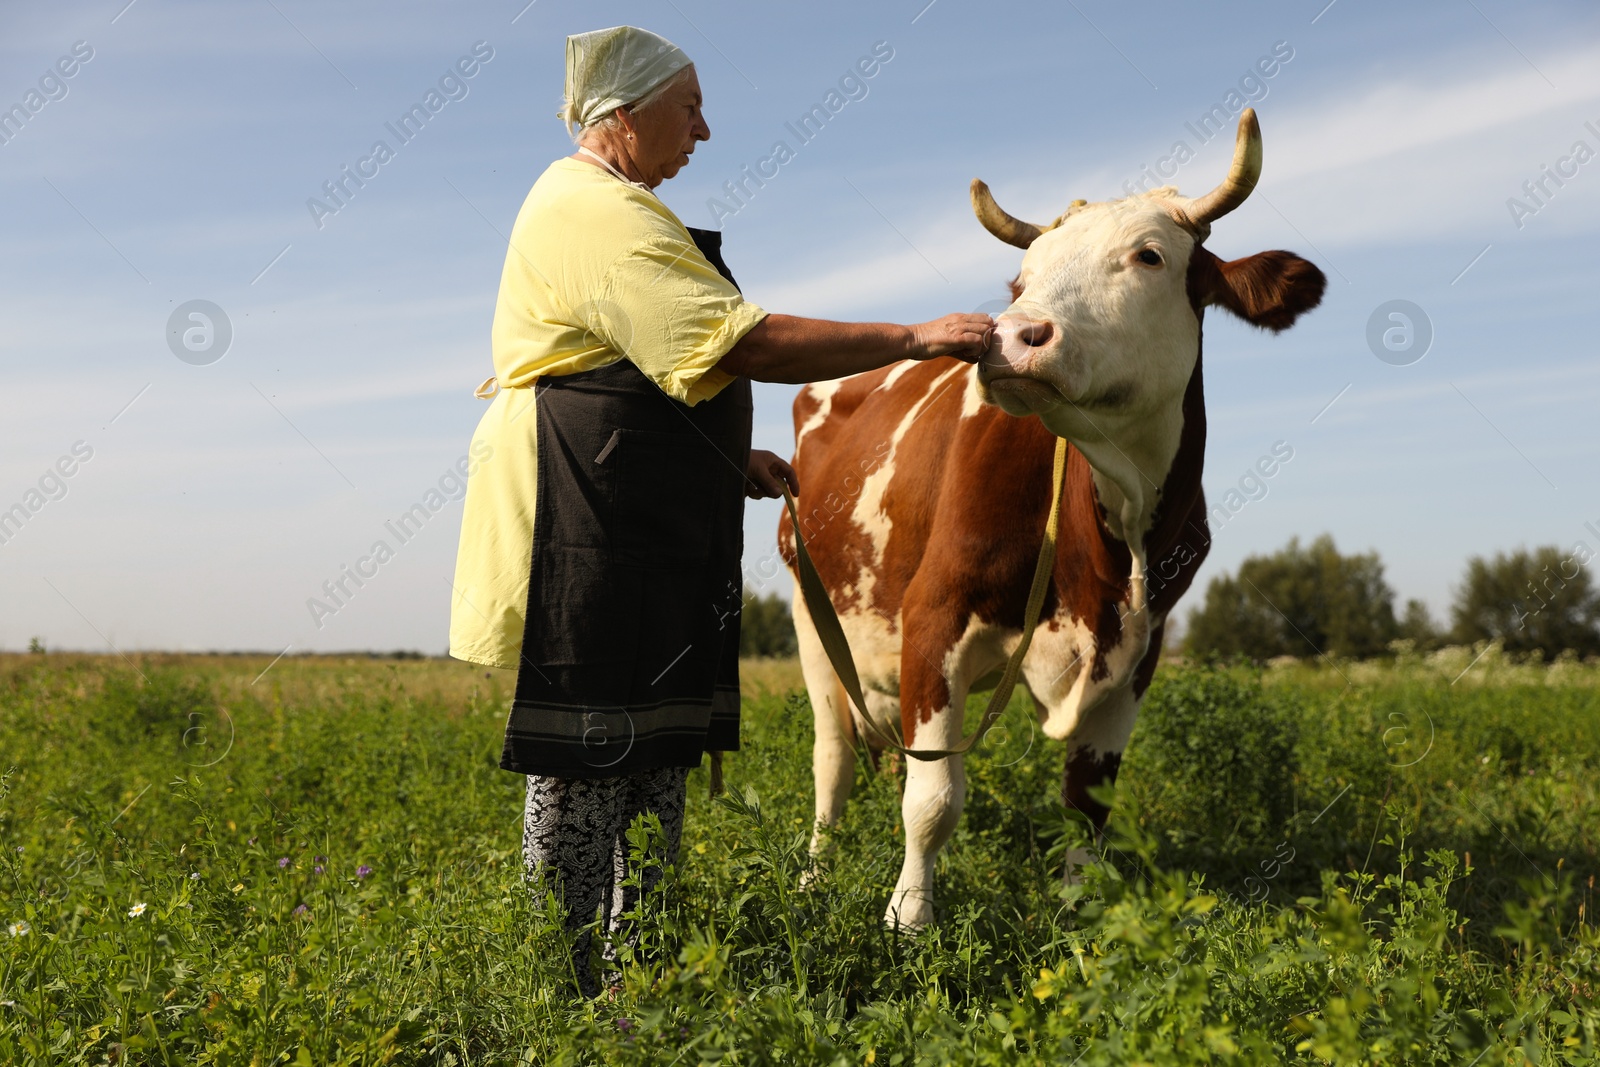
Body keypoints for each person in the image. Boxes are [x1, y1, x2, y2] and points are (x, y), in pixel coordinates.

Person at [449, 24, 993, 997]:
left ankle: (639, 976)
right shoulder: (589, 208)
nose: (704, 128)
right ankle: (558, 989)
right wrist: (913, 335)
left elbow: (641, 366)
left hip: (638, 501)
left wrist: (722, 457)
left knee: (652, 738)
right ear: (624, 113)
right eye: (688, 105)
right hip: (590, 506)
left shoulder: (618, 208)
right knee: (588, 744)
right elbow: (735, 342)